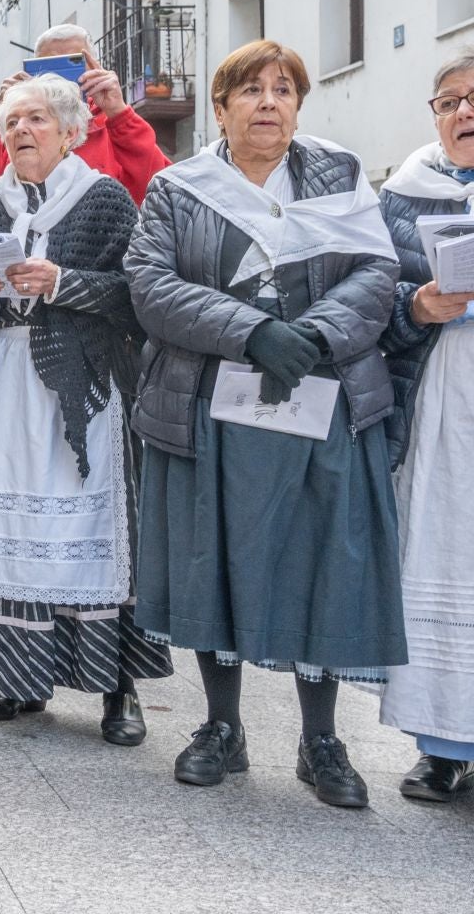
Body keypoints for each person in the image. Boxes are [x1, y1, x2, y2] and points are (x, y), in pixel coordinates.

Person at [128, 40, 404, 809]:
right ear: (221, 108)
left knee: (321, 565)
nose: (269, 102)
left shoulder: (338, 175)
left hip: (323, 404)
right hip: (213, 406)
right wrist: (251, 332)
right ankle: (222, 726)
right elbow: (149, 285)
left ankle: (321, 742)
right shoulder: (179, 188)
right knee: (217, 563)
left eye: (284, 89)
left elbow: (377, 271)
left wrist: (313, 334)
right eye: (251, 90)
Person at [0, 76, 170, 743]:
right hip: (2, 387)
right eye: (12, 122)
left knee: (91, 537)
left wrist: (63, 284)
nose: (21, 132)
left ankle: (118, 692)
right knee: (6, 531)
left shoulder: (103, 200)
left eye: (36, 120)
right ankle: (18, 679)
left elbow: (137, 293)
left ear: (70, 132)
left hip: (83, 391)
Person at [376, 50, 474, 802]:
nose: (463, 112)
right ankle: (442, 746)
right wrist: (416, 307)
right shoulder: (403, 199)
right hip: (443, 399)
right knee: (445, 553)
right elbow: (371, 299)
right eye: (448, 102)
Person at [0, 24, 169, 207]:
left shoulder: (112, 127)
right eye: (48, 69)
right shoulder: (17, 130)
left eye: (72, 64)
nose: (59, 82)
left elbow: (160, 191)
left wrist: (118, 112)